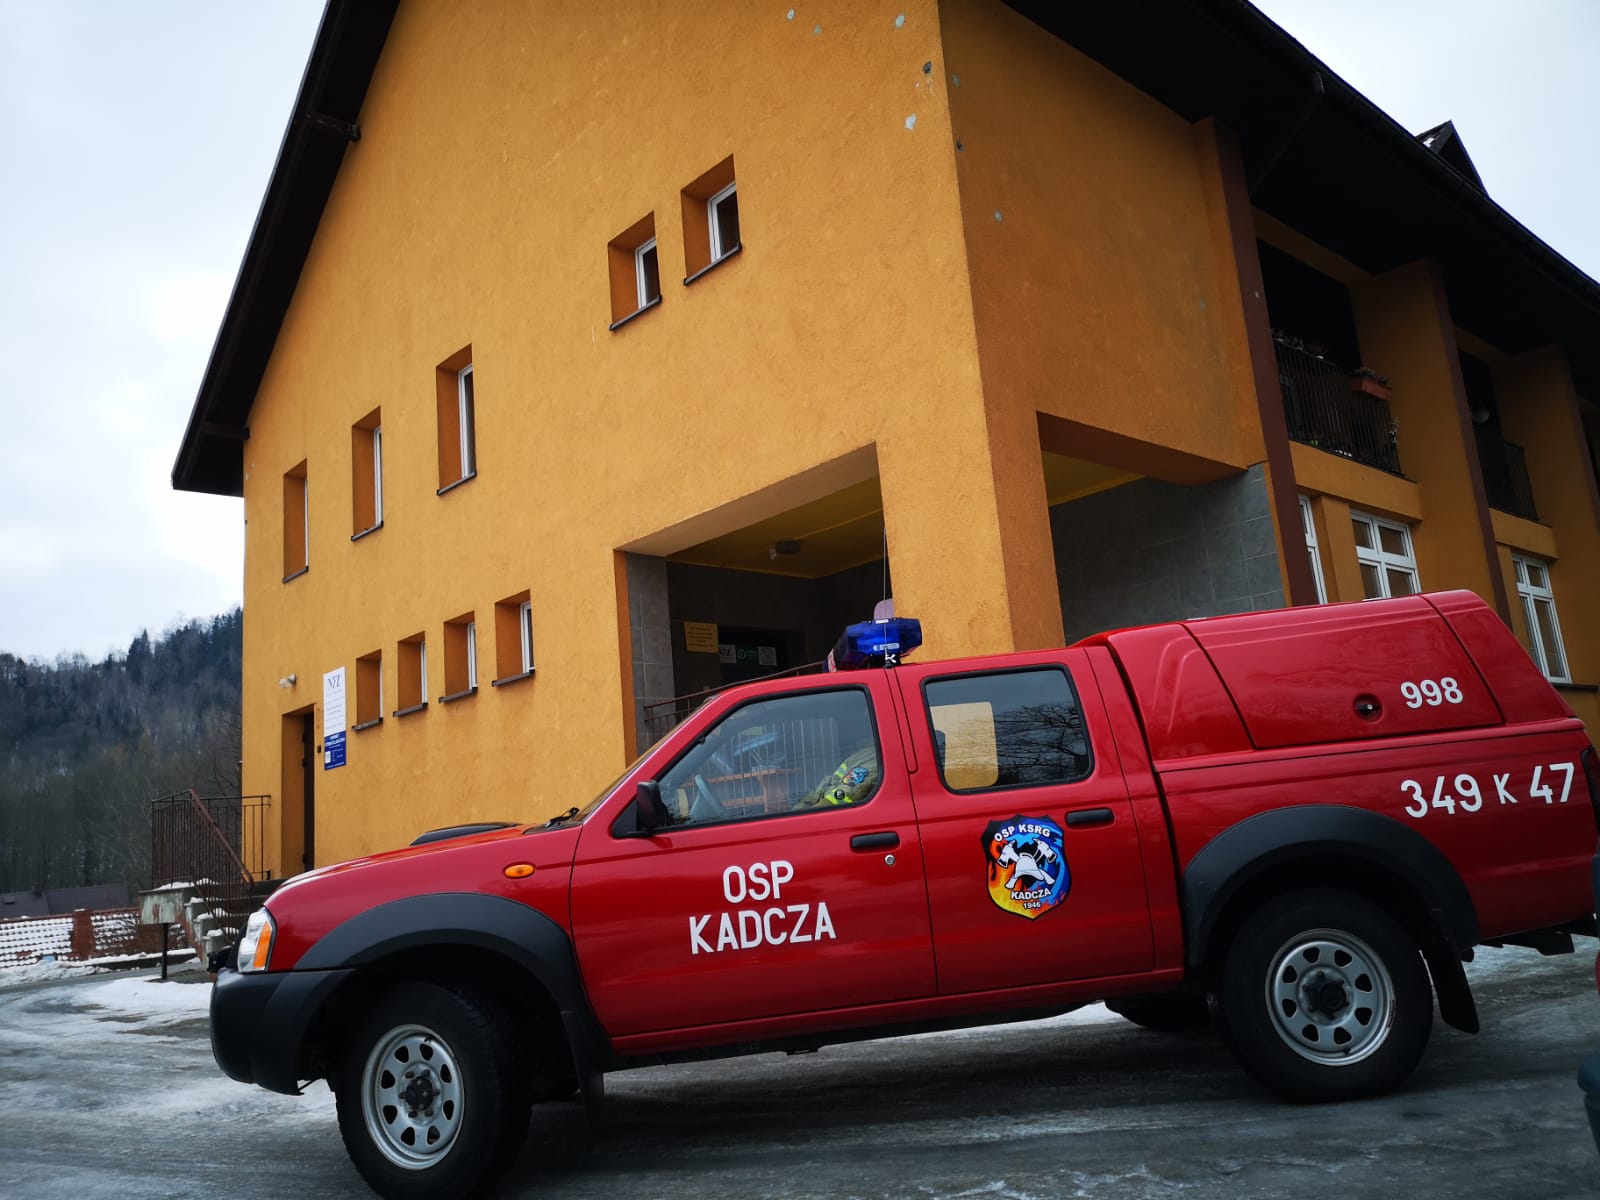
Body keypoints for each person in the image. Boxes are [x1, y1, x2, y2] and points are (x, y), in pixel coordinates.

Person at [795, 735, 879, 809]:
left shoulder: (871, 755)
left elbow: (849, 791)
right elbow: (825, 787)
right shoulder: (859, 753)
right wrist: (799, 809)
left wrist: (814, 812)